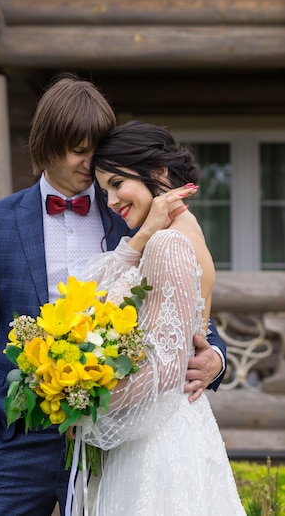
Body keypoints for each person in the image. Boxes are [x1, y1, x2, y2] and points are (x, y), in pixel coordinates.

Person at [0, 75, 226, 516]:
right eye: (79, 149)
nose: (89, 162)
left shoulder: (131, 214)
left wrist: (217, 359)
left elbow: (184, 299)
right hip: (13, 443)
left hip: (113, 444)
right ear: (48, 144)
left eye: (95, 150)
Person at [71, 121, 245, 516]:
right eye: (104, 190)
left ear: (158, 173)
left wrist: (86, 405)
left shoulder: (168, 243)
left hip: (159, 439)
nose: (112, 200)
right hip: (167, 424)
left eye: (117, 183)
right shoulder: (179, 231)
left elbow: (167, 367)